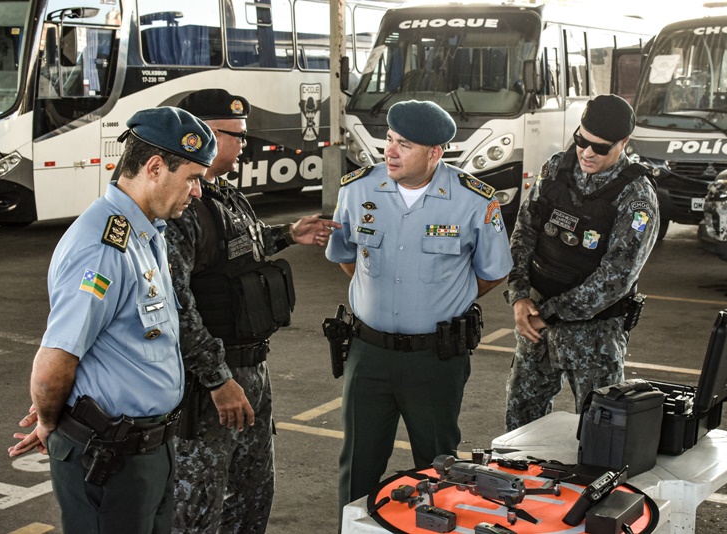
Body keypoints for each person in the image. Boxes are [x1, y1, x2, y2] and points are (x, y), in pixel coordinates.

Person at [8, 107, 217, 533]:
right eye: (192, 177)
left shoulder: (145, 233)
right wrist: (51, 422)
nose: (197, 191)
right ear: (156, 167)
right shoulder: (105, 246)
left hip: (146, 451)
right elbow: (54, 363)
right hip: (111, 458)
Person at [325, 100, 513, 519]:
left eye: (403, 145)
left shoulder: (472, 200)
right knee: (358, 464)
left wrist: (443, 299)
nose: (389, 151)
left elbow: (493, 271)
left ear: (434, 153)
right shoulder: (357, 190)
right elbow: (346, 255)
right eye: (389, 140)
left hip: (435, 358)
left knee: (438, 466)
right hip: (368, 353)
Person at [166, 88, 340, 534]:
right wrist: (217, 380)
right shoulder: (180, 209)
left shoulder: (221, 191)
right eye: (235, 136)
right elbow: (177, 304)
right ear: (201, 133)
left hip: (251, 368)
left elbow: (242, 244)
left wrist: (288, 232)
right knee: (199, 503)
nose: (245, 145)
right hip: (212, 383)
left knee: (252, 491)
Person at [504, 94, 659, 431]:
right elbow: (524, 232)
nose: (587, 153)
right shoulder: (557, 168)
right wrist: (518, 295)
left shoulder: (636, 197)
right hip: (535, 326)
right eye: (581, 140)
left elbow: (617, 277)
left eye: (600, 148)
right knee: (520, 426)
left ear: (624, 143)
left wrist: (548, 313)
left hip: (594, 338)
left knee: (600, 435)